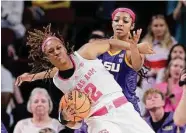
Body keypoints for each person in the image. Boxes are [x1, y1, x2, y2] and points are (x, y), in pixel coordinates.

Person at [15, 24, 155, 133]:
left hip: (123, 108)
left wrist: (134, 46)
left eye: (59, 48)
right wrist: (65, 118)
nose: (57, 52)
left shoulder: (85, 53)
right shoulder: (58, 82)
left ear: (64, 47)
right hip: (98, 121)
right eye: (51, 51)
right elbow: (70, 122)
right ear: (47, 58)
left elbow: (111, 43)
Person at [141, 14, 177, 90]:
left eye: (161, 25)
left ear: (166, 27)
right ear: (151, 27)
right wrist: (151, 72)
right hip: (148, 80)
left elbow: (176, 62)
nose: (159, 28)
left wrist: (162, 72)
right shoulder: (144, 43)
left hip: (166, 80)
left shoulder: (172, 42)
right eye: (156, 26)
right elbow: (139, 65)